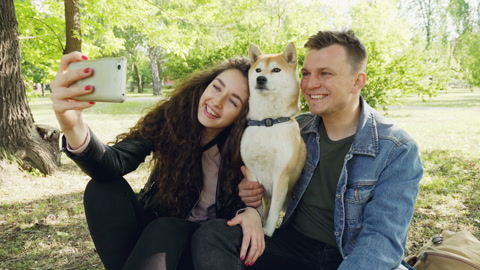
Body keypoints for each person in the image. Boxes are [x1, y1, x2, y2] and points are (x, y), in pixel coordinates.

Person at [191, 29, 423, 270]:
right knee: (215, 236)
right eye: (306, 73)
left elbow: (381, 242)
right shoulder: (295, 128)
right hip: (292, 246)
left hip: (350, 258)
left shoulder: (396, 149)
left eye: (325, 74)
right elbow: (267, 188)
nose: (311, 84)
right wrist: (253, 205)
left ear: (357, 81)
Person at [50, 51, 259, 270]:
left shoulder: (250, 144)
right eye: (217, 87)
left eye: (233, 101)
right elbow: (115, 162)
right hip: (156, 232)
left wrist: (252, 210)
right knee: (102, 190)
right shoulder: (174, 116)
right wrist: (73, 126)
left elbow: (264, 199)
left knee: (166, 227)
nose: (217, 101)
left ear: (242, 116)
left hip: (205, 245)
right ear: (206, 85)